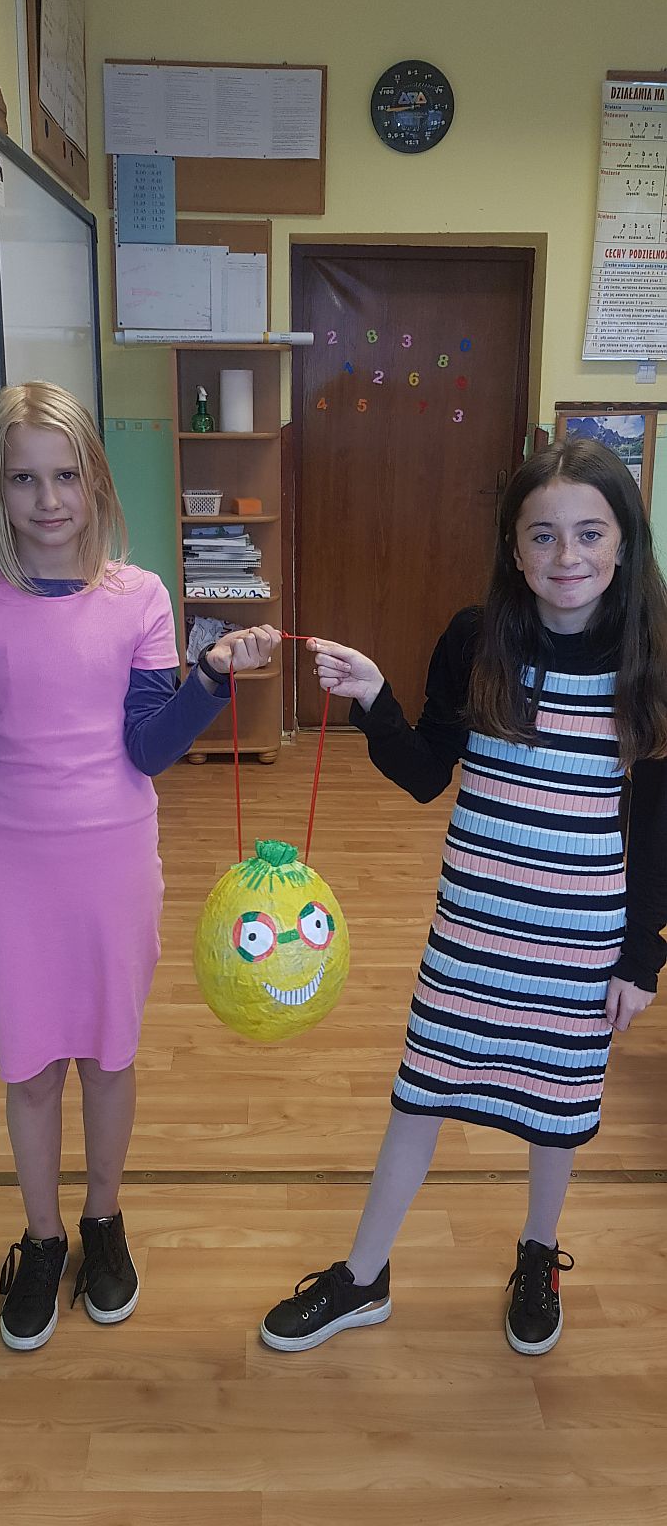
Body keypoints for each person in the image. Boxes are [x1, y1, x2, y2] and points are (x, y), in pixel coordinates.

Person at [261, 437, 667, 1357]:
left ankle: (538, 1253)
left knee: (557, 1108)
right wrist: (375, 698)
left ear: (624, 541)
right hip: (474, 929)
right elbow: (423, 774)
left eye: (590, 533)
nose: (567, 556)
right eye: (543, 535)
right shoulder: (475, 640)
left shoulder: (649, 656)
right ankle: (364, 1275)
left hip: (580, 939)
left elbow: (655, 824)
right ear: (514, 548)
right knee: (420, 1093)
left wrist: (642, 956)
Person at [0, 380, 280, 1352]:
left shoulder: (142, 597)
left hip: (115, 863)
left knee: (107, 1057)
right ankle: (43, 1239)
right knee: (33, 1066)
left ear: (96, 480)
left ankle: (103, 1218)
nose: (47, 499)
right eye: (23, 478)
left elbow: (147, 747)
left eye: (66, 474)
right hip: (9, 871)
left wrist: (208, 679)